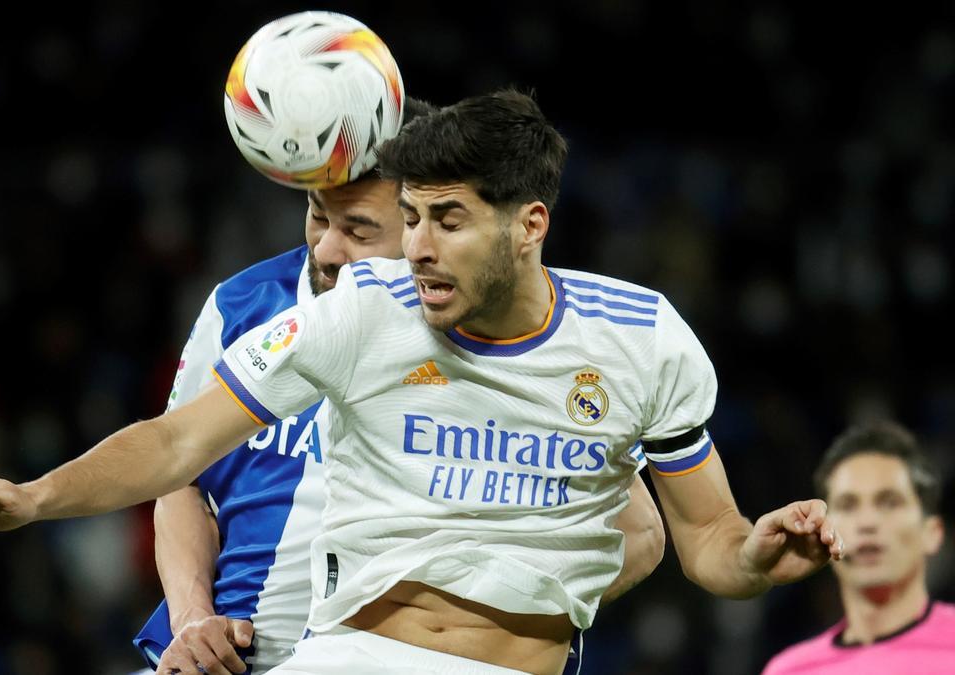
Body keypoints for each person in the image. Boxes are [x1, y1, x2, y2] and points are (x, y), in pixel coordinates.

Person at [0, 89, 844, 675]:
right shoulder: (361, 308)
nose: (418, 249)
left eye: (450, 221)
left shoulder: (642, 340)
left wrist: (759, 553)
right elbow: (177, 442)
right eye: (414, 217)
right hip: (345, 656)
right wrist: (31, 497)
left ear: (531, 224)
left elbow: (708, 544)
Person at [139, 96, 666, 675]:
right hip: (227, 656)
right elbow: (180, 479)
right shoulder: (242, 305)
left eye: (360, 230)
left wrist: (490, 629)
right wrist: (191, 619)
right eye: (318, 215)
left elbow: (638, 530)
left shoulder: (499, 334)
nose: (327, 247)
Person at [762, 421, 953, 674]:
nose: (867, 523)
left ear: (932, 533)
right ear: (821, 533)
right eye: (848, 505)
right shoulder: (789, 670)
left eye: (889, 502)